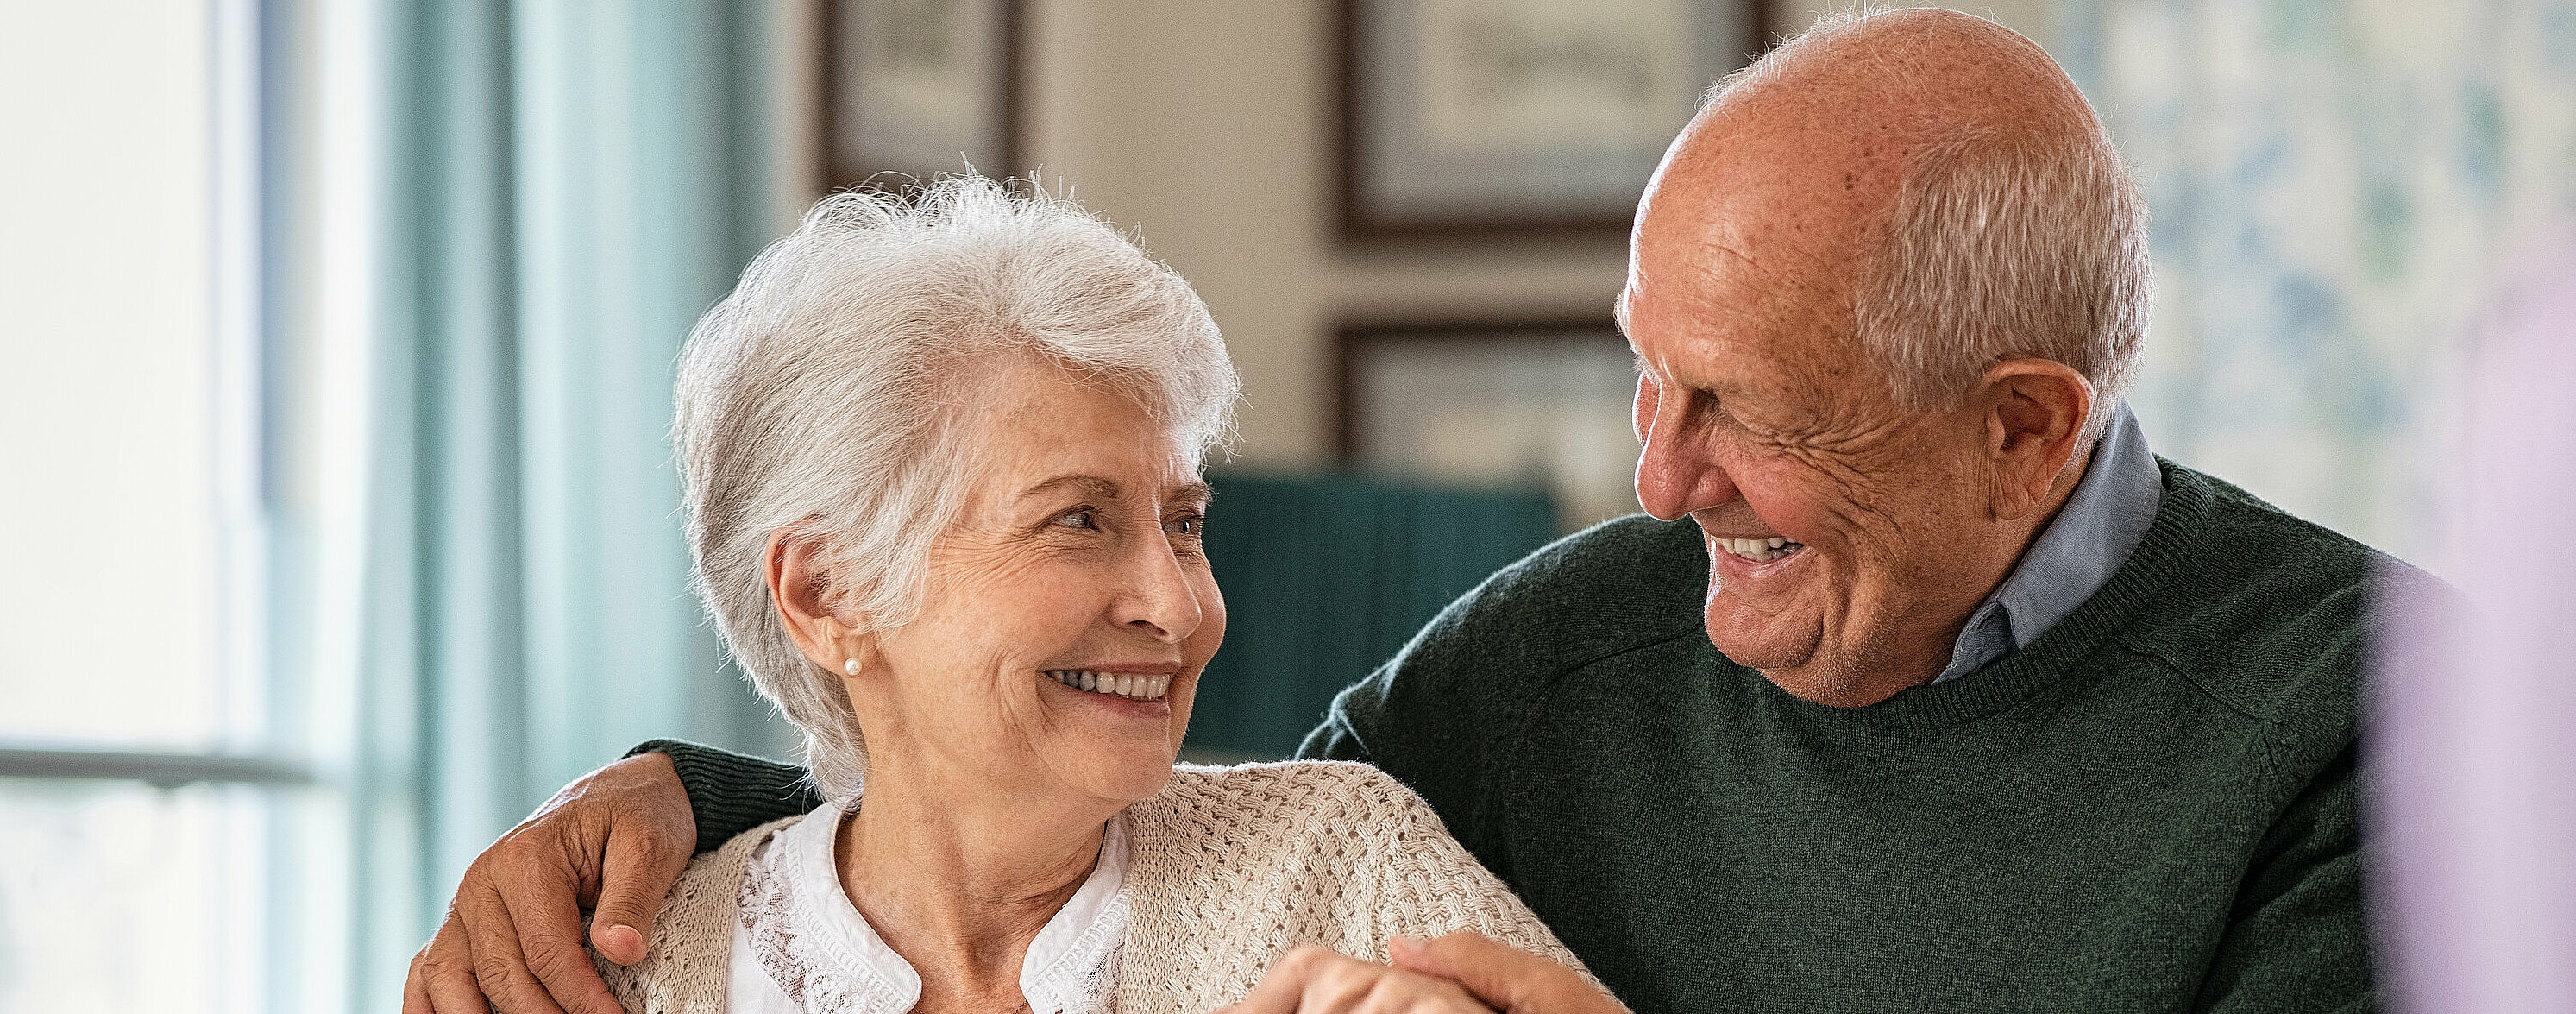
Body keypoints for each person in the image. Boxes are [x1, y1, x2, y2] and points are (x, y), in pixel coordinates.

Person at [412, 9, 2419, 1013]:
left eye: (1744, 411)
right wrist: (702, 810)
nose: (1655, 483)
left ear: (2021, 429)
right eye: (1644, 372)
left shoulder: (2381, 730)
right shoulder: (1563, 655)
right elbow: (1170, 842)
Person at [405, 176, 1608, 1014]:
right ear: (826, 591)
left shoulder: (1341, 864)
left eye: (1184, 524)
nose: (1176, 605)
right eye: (1078, 520)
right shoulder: (621, 972)